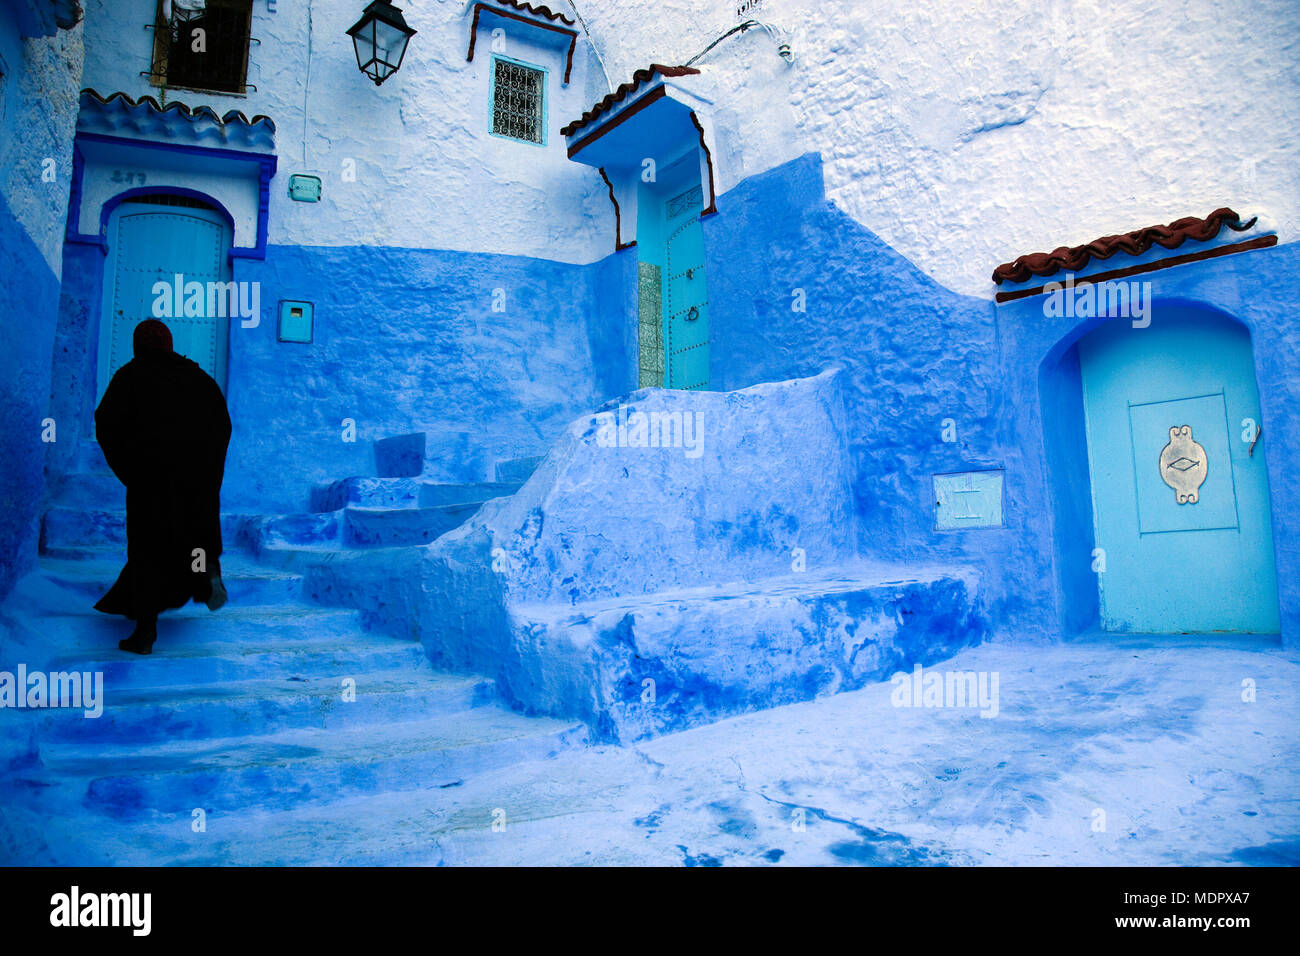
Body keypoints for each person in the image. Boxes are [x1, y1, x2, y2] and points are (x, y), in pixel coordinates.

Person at [93, 319, 233, 654]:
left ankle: (145, 630)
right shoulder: (200, 379)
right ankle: (206, 578)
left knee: (149, 552)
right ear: (169, 344)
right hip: (196, 488)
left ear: (138, 345)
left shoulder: (130, 377)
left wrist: (131, 470)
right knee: (197, 543)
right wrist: (207, 473)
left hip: (152, 486)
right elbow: (222, 426)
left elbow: (106, 424)